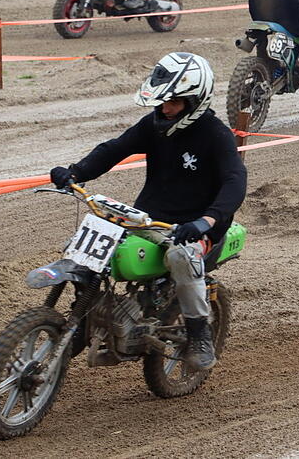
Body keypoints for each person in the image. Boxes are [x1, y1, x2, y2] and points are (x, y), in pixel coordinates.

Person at [50, 52, 247, 370]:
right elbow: (115, 148)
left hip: (197, 227)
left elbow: (235, 182)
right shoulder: (155, 125)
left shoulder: (216, 135)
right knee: (86, 242)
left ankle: (199, 334)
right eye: (162, 102)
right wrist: (75, 172)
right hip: (148, 218)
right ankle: (81, 318)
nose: (165, 109)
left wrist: (205, 221)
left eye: (174, 102)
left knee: (182, 256)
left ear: (195, 101)